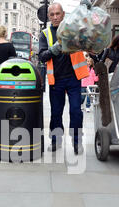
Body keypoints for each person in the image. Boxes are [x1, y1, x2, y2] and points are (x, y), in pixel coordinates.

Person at [39, 2, 89, 154]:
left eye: (57, 14)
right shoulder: (45, 34)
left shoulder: (73, 29)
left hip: (74, 77)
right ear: (48, 16)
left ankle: (77, 142)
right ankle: (56, 140)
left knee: (76, 111)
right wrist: (53, 50)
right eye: (52, 15)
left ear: (63, 14)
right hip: (56, 79)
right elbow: (42, 56)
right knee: (56, 113)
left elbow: (87, 41)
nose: (55, 17)